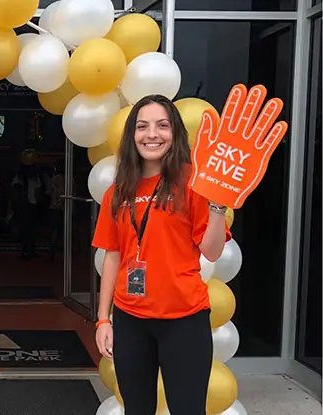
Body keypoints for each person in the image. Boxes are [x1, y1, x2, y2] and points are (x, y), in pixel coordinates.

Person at [92, 94, 231, 415]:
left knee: (187, 409)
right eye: (142, 126)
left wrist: (218, 205)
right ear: (132, 135)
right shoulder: (117, 192)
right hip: (130, 320)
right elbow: (112, 256)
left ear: (175, 133)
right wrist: (103, 319)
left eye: (162, 125)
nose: (151, 134)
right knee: (137, 409)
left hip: (184, 321)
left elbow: (211, 252)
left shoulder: (193, 183)